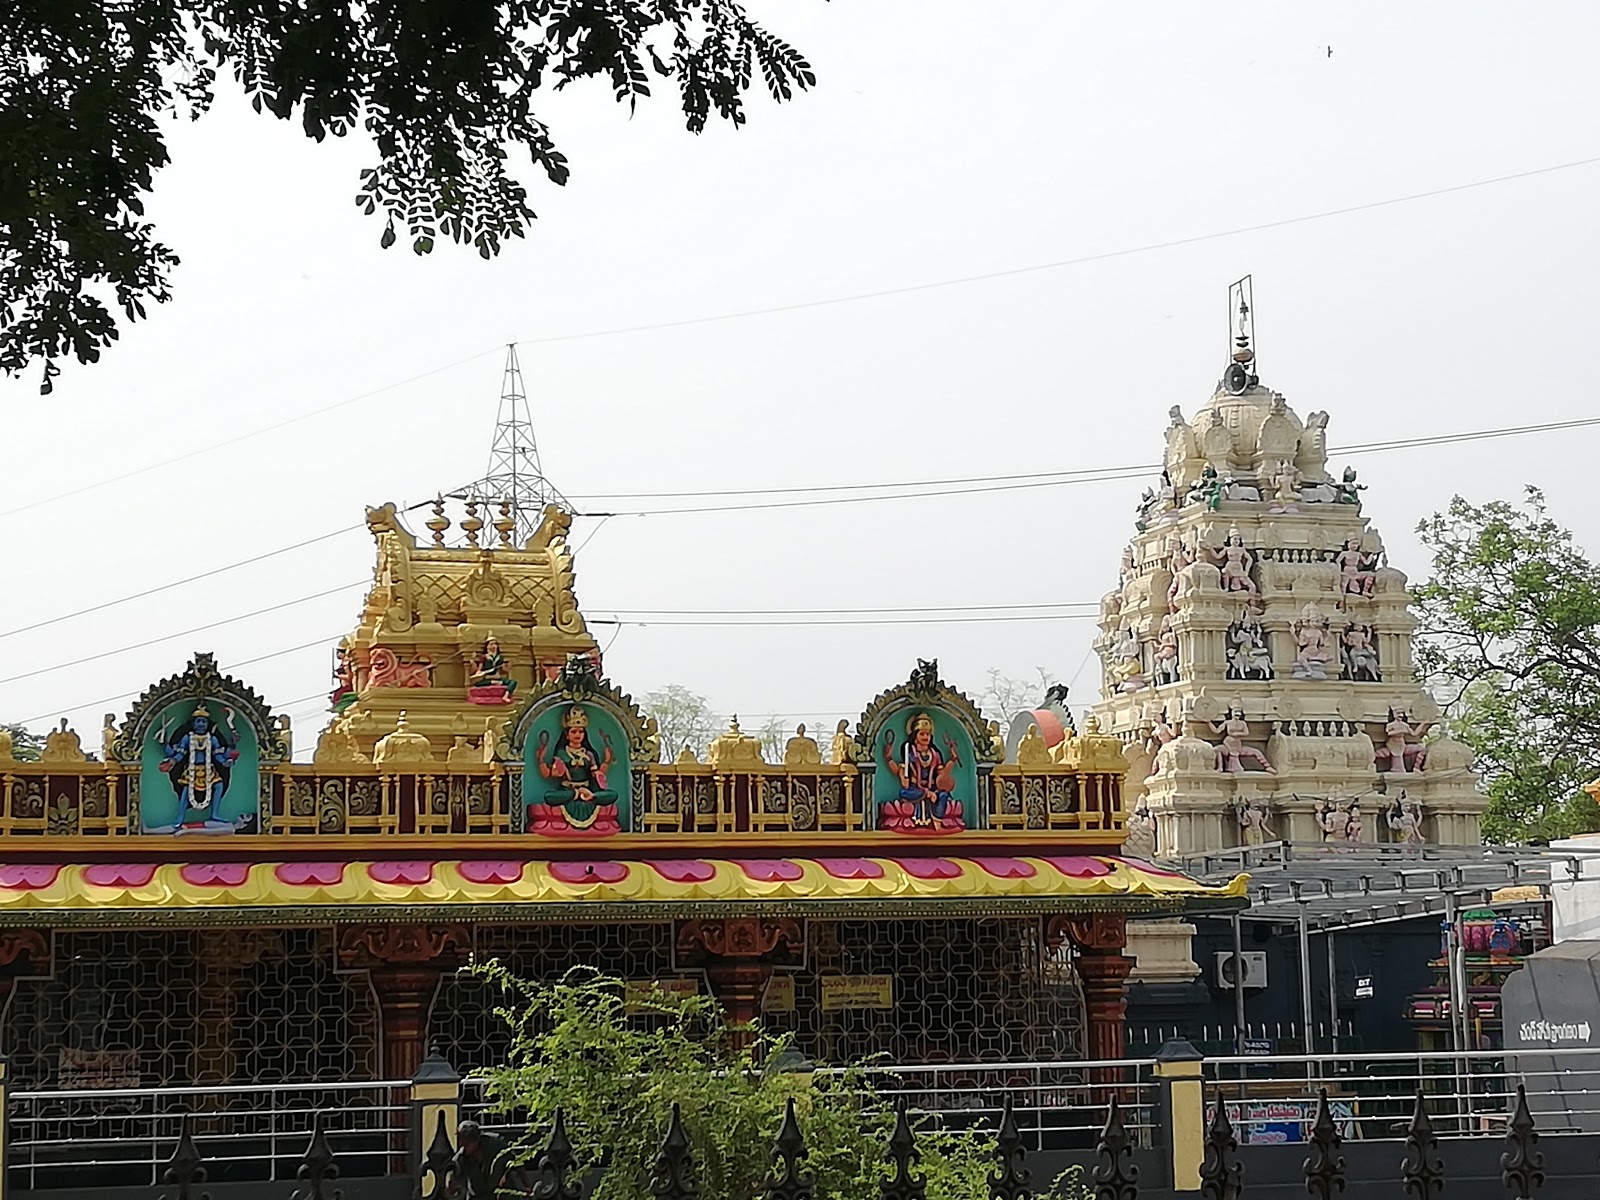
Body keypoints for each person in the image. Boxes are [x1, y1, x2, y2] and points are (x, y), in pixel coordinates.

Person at [532, 705, 620, 833]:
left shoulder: (589, 755)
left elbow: (597, 775)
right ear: (567, 735)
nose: (577, 735)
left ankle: (591, 797)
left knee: (612, 795)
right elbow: (548, 774)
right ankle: (579, 796)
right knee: (549, 797)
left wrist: (607, 760)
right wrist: (540, 759)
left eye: (580, 732)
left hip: (587, 792)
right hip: (568, 792)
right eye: (574, 732)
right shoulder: (562, 754)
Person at [159, 706, 238, 825]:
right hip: (192, 770)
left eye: (204, 721)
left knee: (219, 785)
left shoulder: (212, 739)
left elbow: (219, 754)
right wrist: (170, 756)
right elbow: (179, 753)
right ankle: (180, 817)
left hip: (208, 770)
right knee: (185, 791)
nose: (201, 724)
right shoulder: (188, 738)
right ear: (194, 724)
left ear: (207, 724)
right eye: (198, 721)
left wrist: (229, 754)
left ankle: (215, 813)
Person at [449, 1121, 509, 1199]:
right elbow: (454, 1181)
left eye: (466, 1144)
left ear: (476, 1141)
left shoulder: (496, 1146)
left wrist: (525, 1185)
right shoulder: (461, 1158)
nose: (461, 1145)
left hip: (500, 1194)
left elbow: (516, 1162)